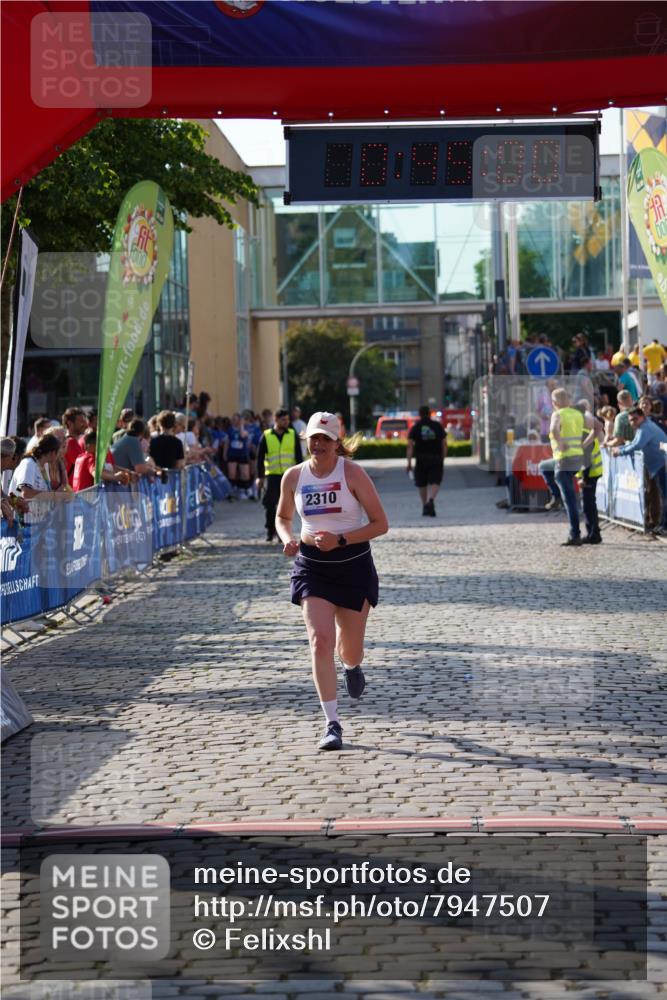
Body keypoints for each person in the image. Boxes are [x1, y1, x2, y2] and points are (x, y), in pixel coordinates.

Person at [275, 411, 388, 752]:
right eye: (314, 438)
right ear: (306, 440)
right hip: (312, 567)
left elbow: (381, 523)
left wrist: (341, 540)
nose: (319, 444)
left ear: (338, 442)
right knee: (320, 640)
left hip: (352, 565)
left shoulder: (352, 473)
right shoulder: (294, 476)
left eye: (326, 438)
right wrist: (287, 537)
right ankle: (332, 723)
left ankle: (352, 666)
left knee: (349, 647)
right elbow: (282, 516)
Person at [538, 388, 592, 545]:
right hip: (576, 459)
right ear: (568, 400)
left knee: (570, 500)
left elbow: (554, 429)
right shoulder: (577, 413)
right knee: (544, 466)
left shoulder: (557, 414)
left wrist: (561, 443)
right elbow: (598, 427)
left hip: (564, 461)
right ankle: (556, 497)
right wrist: (585, 443)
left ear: (554, 403)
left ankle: (574, 535)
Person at [613, 407, 667, 536]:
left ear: (642, 417)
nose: (632, 422)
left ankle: (664, 525)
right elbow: (634, 443)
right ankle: (663, 524)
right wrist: (621, 447)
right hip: (659, 463)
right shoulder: (644, 426)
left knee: (665, 496)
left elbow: (637, 445)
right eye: (630, 420)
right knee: (663, 495)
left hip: (662, 463)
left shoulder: (645, 428)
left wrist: (620, 451)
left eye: (635, 419)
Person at [255, 407, 302, 542]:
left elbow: (298, 456)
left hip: (288, 476)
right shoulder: (267, 435)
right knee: (270, 505)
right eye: (283, 420)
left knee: (286, 507)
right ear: (276, 420)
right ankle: (270, 530)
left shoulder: (293, 434)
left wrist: (301, 474)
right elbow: (259, 458)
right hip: (272, 476)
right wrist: (260, 477)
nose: (286, 422)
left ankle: (283, 534)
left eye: (287, 419)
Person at [406, 405, 447, 516]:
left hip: (421, 459)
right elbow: (444, 444)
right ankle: (431, 500)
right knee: (435, 481)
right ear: (429, 413)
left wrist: (409, 462)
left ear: (419, 414)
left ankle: (425, 505)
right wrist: (443, 458)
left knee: (421, 483)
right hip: (436, 458)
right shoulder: (437, 426)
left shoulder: (415, 427)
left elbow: (410, 446)